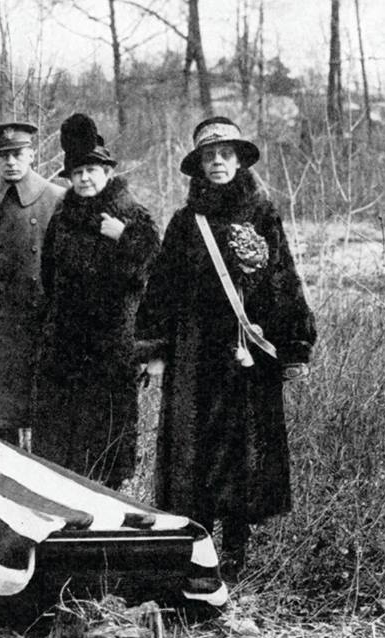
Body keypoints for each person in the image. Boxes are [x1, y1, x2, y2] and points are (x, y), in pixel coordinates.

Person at [135, 116, 317, 580]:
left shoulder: (263, 215)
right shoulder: (184, 223)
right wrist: (155, 350)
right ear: (198, 165)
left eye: (225, 154)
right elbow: (162, 288)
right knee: (192, 453)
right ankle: (199, 549)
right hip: (194, 356)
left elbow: (283, 281)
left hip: (248, 355)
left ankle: (236, 552)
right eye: (209, 156)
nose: (217, 162)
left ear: (239, 161)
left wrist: (294, 347)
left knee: (243, 454)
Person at [32, 113, 161, 488]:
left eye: (91, 170)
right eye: (77, 173)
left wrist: (124, 237)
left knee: (107, 438)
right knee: (61, 440)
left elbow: (158, 274)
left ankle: (108, 499)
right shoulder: (62, 216)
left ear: (107, 172)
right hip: (65, 345)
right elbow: (48, 275)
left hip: (111, 347)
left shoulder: (132, 215)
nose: (84, 178)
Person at [0, 122, 65, 446]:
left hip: (41, 318)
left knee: (44, 407)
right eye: (4, 155)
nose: (11, 162)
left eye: (18, 154)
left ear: (32, 154)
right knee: (2, 413)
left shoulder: (57, 199)